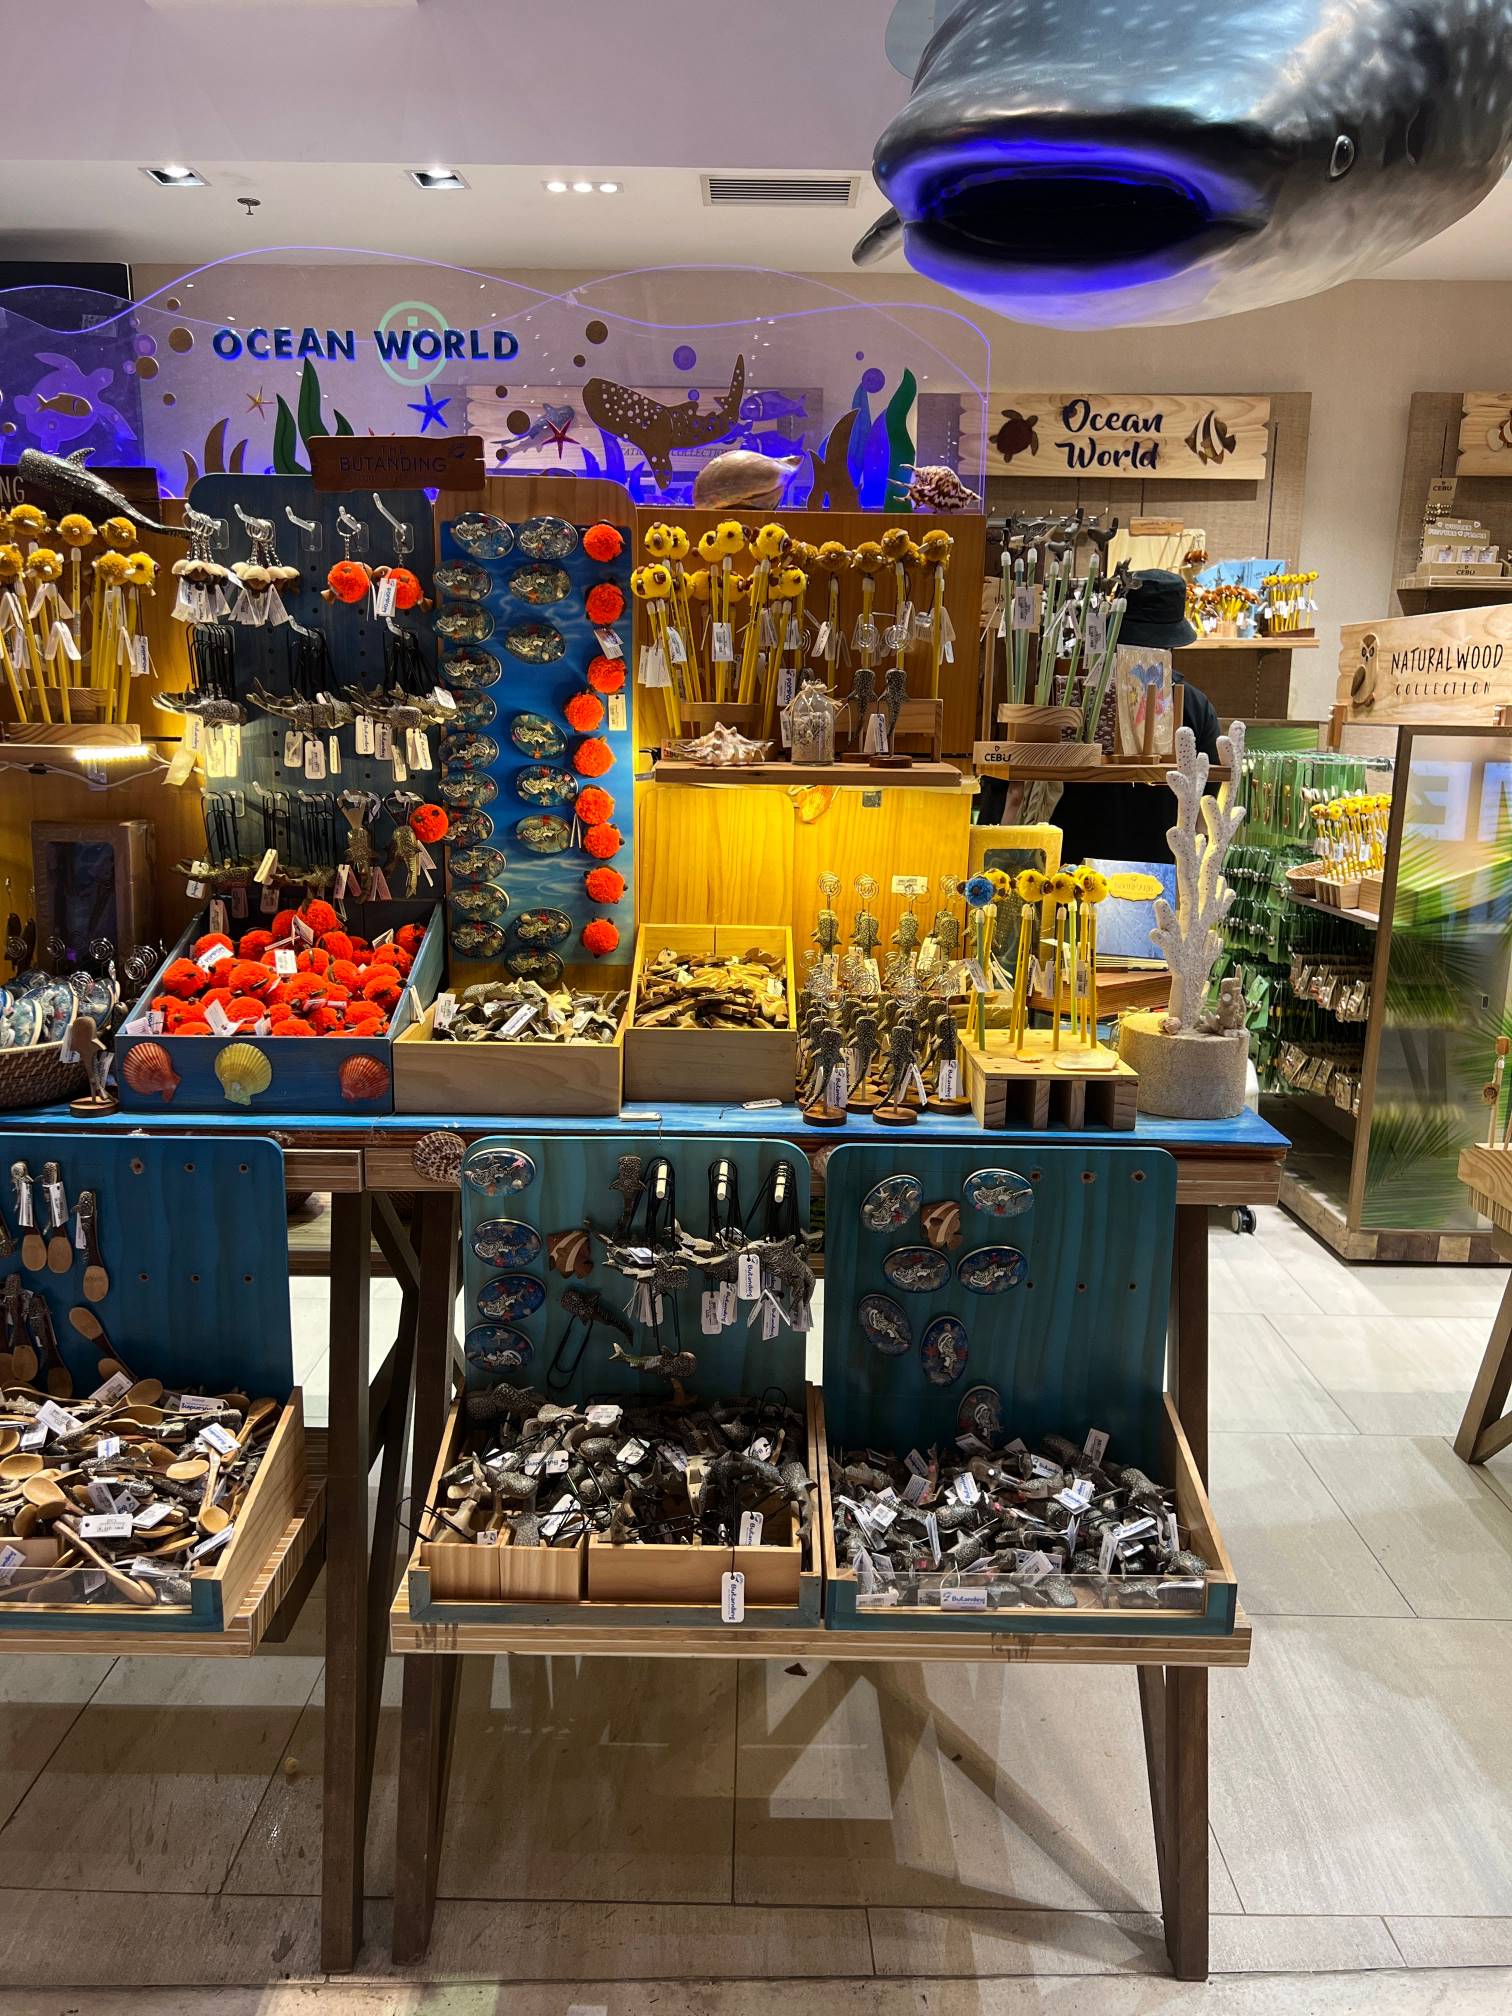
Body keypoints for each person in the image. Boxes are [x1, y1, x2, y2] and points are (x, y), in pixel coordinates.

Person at [979, 569, 1222, 866]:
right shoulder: (1195, 706)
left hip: (1074, 871)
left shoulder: (1074, 696)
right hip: (1154, 875)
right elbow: (1203, 806)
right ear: (1172, 642)